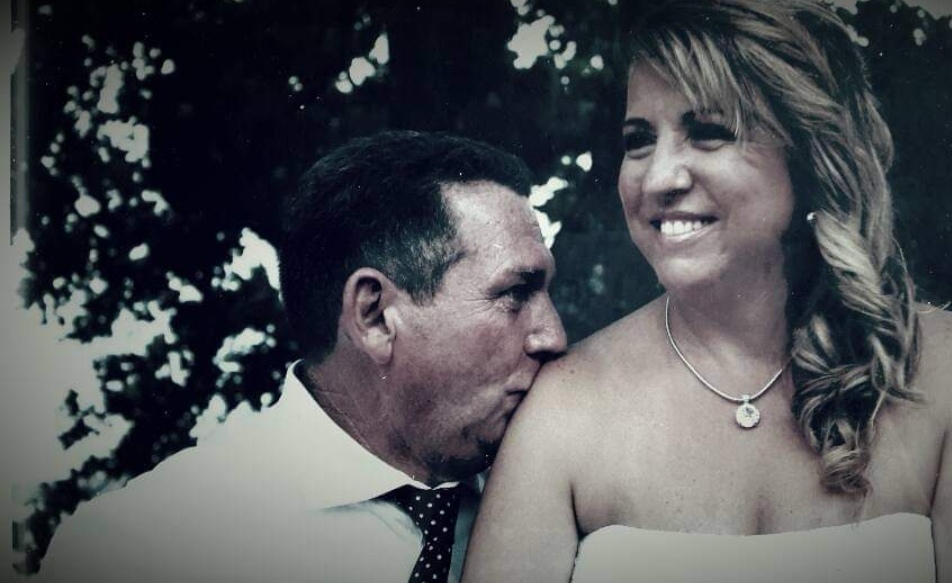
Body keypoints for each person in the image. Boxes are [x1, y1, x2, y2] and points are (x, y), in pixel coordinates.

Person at [462, 1, 952, 582]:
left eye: (708, 133)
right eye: (639, 140)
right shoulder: (563, 407)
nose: (658, 178)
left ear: (808, 155)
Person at [39, 130, 567, 583]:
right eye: (515, 293)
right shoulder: (139, 549)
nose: (553, 336)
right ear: (375, 316)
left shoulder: (566, 502)